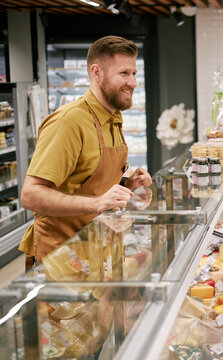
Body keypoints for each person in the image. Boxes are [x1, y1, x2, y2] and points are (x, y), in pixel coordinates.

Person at [20, 35, 152, 269]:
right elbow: (31, 195)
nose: (132, 83)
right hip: (61, 259)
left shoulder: (112, 117)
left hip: (97, 251)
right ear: (97, 72)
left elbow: (86, 182)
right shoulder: (69, 122)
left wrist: (127, 186)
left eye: (134, 74)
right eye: (124, 73)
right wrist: (99, 202)